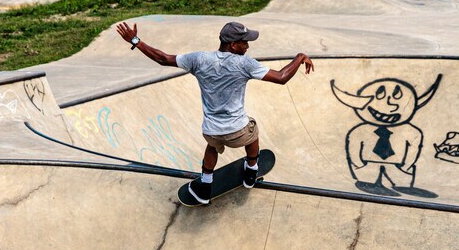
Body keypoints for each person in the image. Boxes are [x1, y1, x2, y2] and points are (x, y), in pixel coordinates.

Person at [117, 21, 314, 204]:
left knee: (212, 146)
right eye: (245, 43)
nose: (247, 47)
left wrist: (135, 41)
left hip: (211, 131)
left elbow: (162, 59)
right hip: (238, 132)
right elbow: (281, 77)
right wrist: (299, 57)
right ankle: (251, 173)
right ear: (233, 45)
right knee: (253, 129)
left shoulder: (199, 59)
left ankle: (205, 185)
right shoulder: (245, 64)